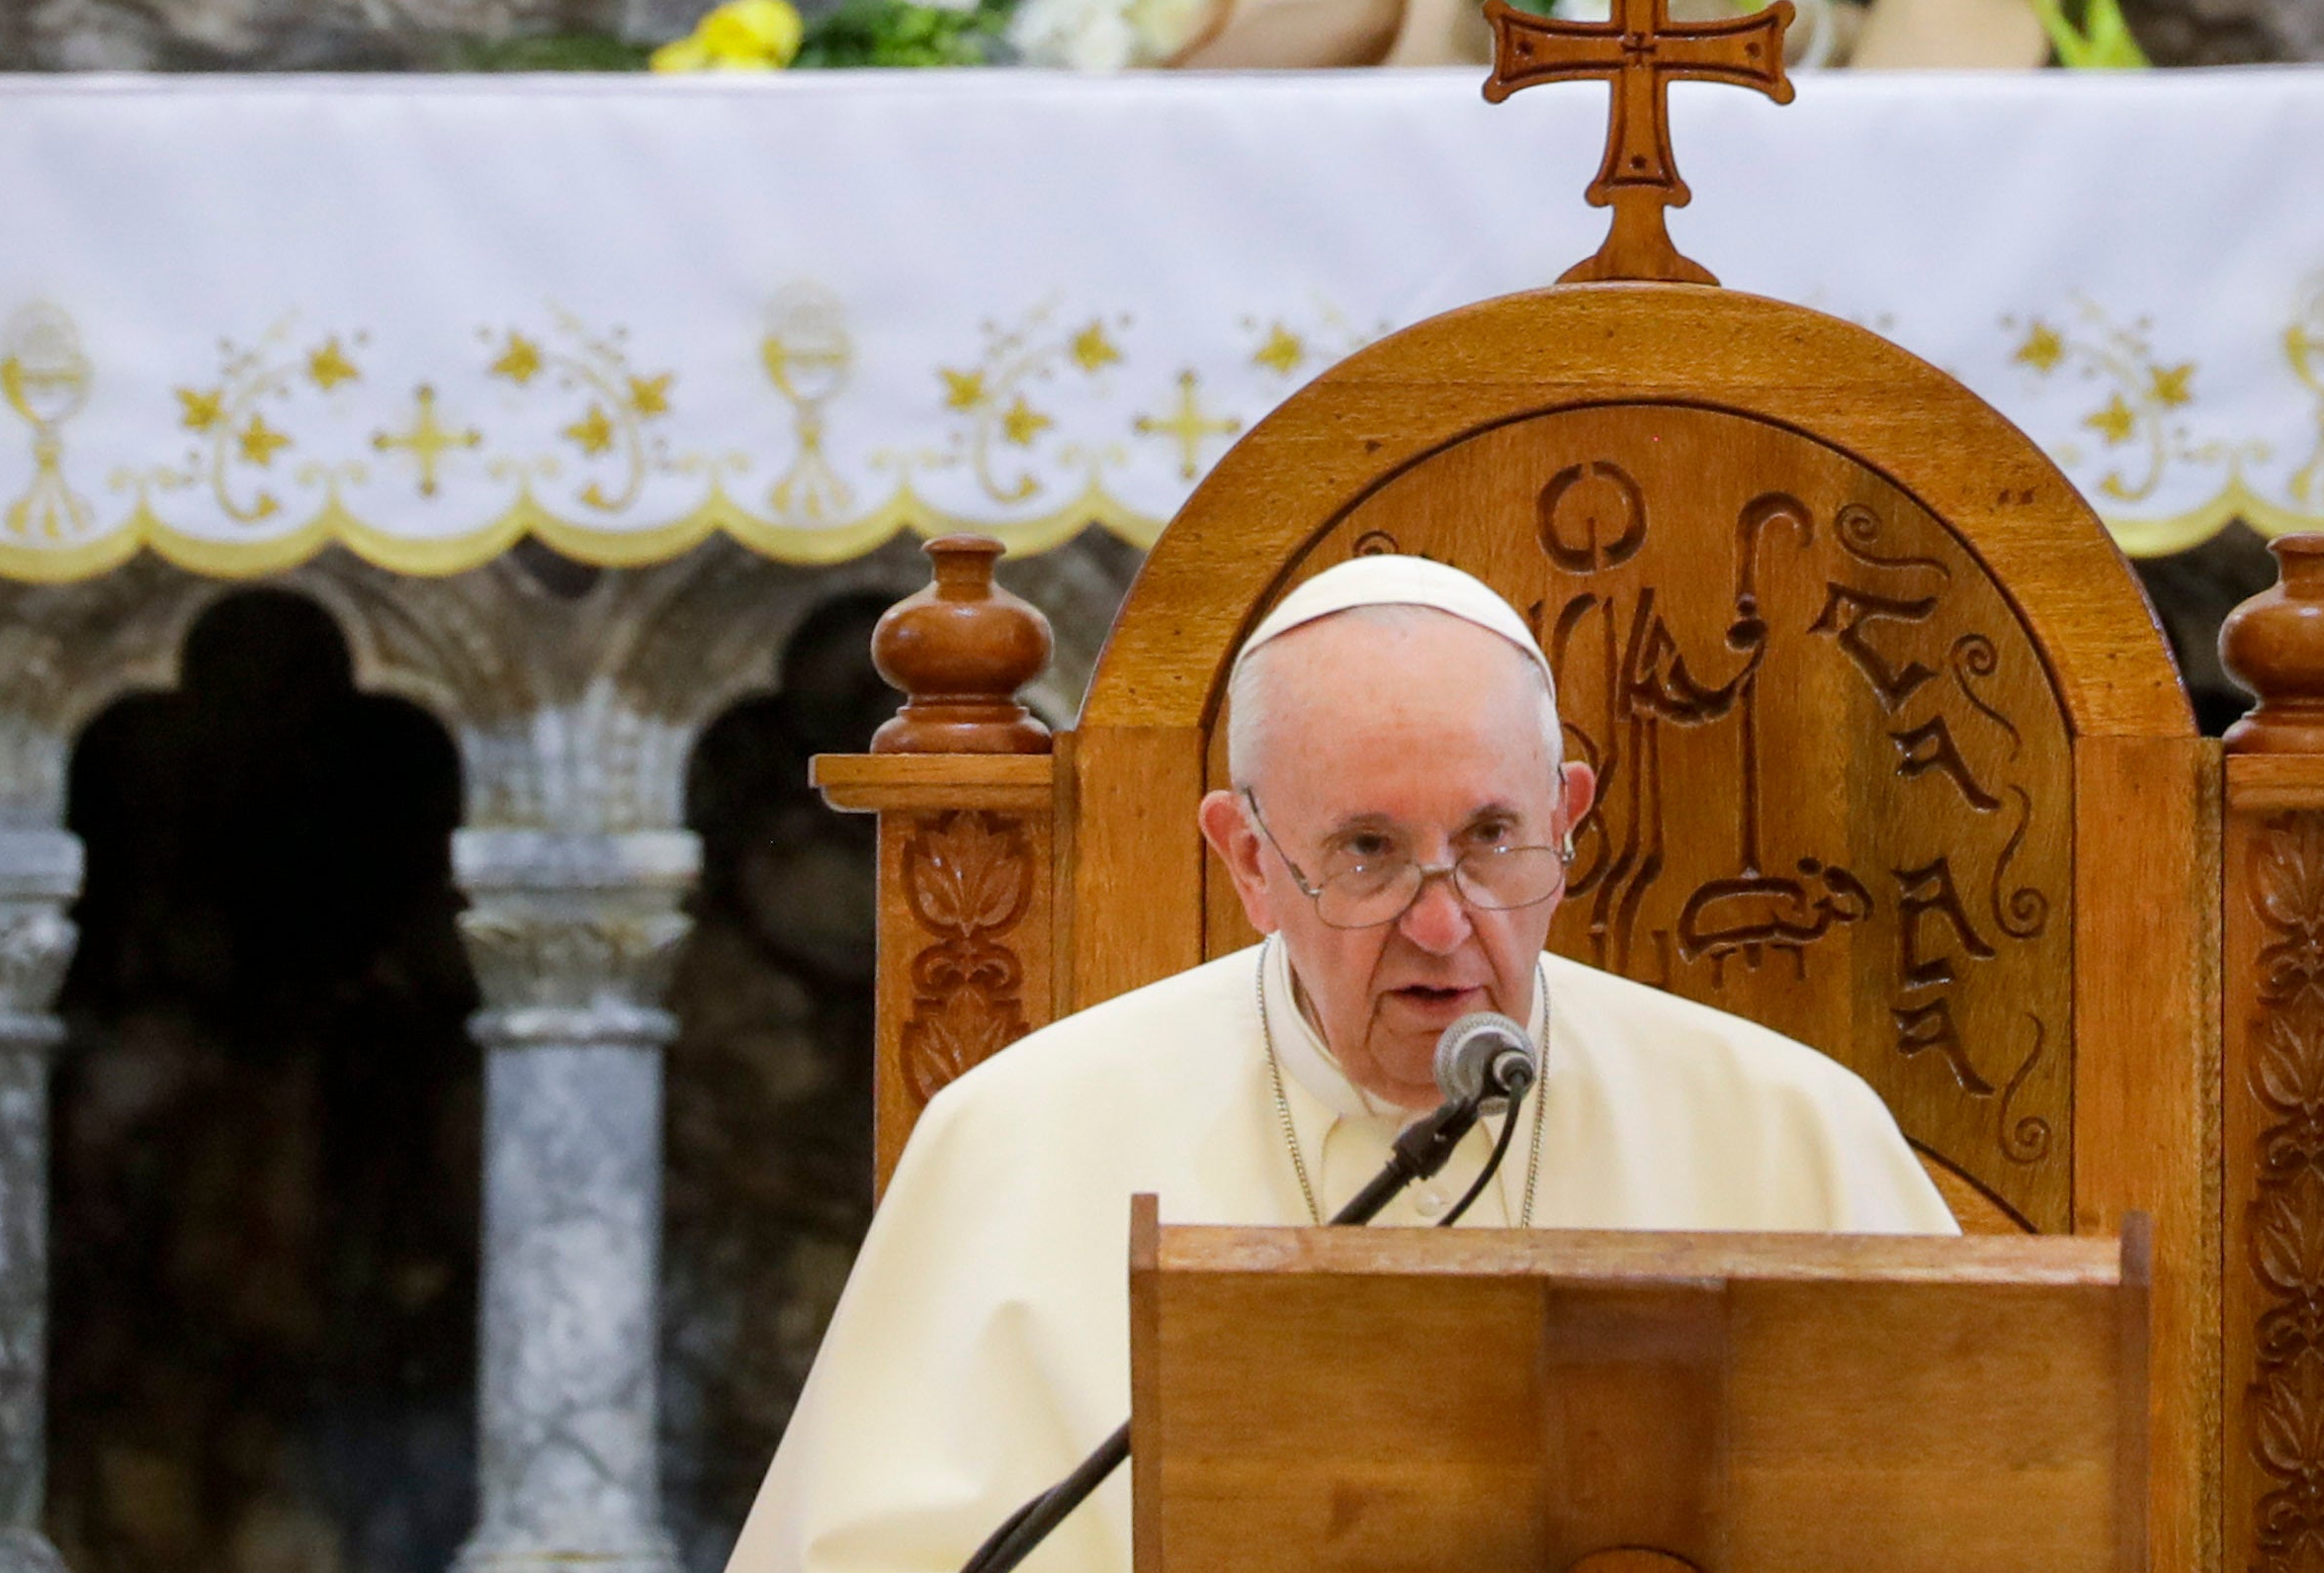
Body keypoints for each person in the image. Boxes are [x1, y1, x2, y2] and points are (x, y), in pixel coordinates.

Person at [727, 554, 1956, 1573]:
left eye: (1490, 840)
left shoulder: (1786, 1132)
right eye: (1367, 850)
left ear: (1566, 820)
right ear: (1248, 859)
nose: (1442, 924)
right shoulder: (1018, 1138)